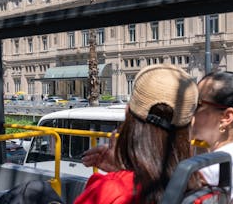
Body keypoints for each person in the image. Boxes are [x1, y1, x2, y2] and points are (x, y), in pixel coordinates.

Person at [76, 65, 200, 204]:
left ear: (127, 112)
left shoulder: (111, 192)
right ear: (192, 125)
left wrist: (119, 175)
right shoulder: (201, 190)